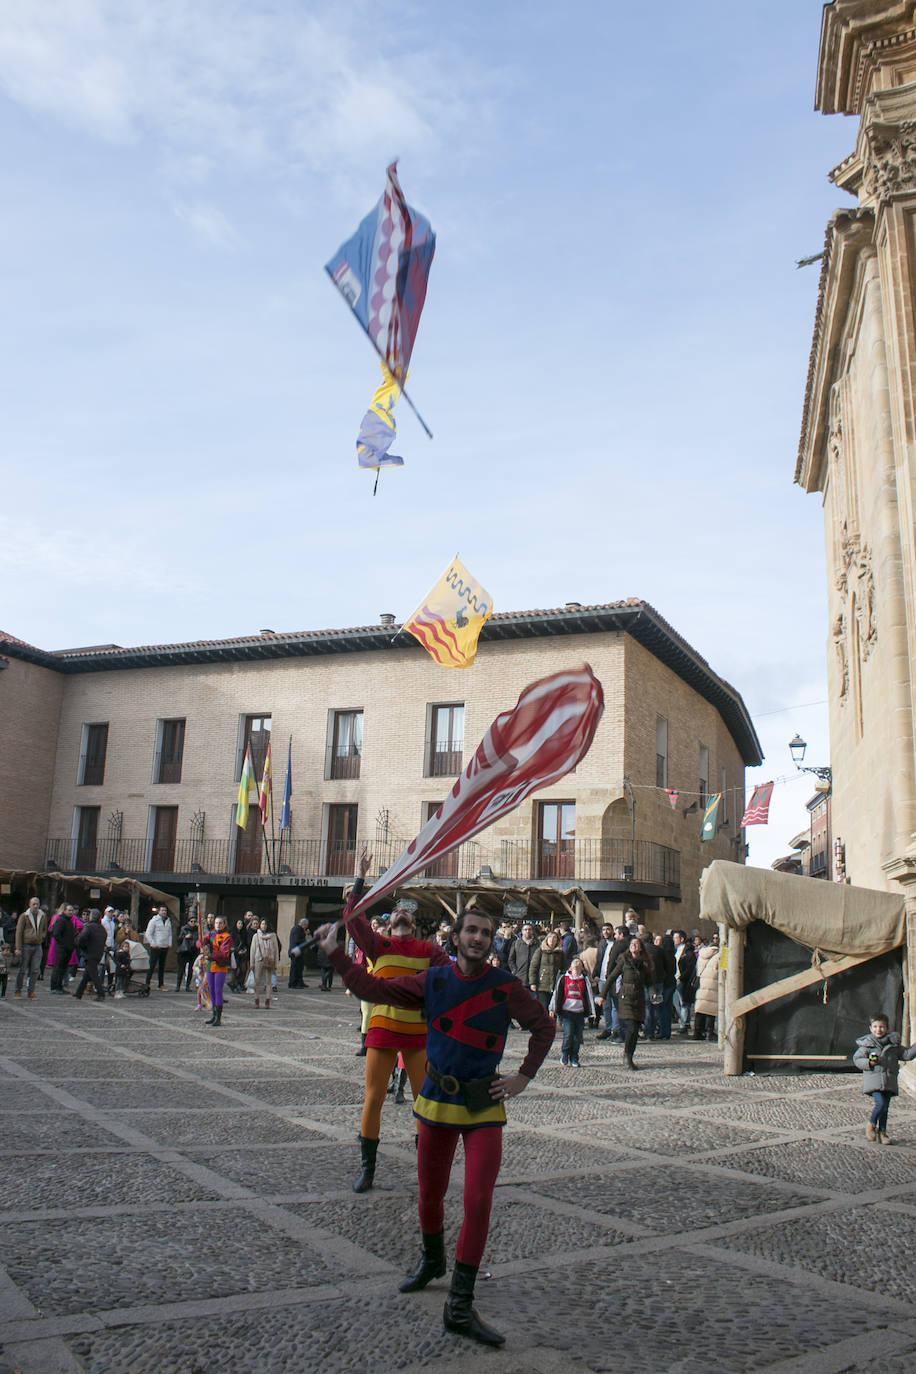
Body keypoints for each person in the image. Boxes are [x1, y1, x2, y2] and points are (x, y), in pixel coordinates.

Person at [319, 898, 554, 1348]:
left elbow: (544, 1027)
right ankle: (431, 1262)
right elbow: (375, 991)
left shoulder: (506, 987)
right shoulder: (434, 979)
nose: (479, 938)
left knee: (479, 1198)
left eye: (486, 933)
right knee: (429, 1194)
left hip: (483, 1104)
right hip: (436, 1102)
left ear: (490, 940)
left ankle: (460, 1305)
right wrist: (335, 953)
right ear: (456, 937)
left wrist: (524, 1076)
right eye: (472, 931)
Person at [342, 853, 452, 1194]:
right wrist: (360, 880)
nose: (401, 914)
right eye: (395, 914)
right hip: (382, 1032)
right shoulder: (378, 945)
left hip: (418, 1036)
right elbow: (351, 918)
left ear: (414, 925)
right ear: (389, 926)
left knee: (424, 1103)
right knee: (374, 1098)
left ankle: (427, 1169)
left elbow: (453, 974)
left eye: (405, 912)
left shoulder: (428, 950)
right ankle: (368, 1169)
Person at [853, 1012, 916, 1144]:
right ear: (871, 1028)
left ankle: (883, 1133)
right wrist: (869, 1063)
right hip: (874, 1081)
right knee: (880, 1104)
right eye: (875, 1027)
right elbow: (857, 1059)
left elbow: (906, 1055)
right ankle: (871, 1124)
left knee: (885, 1108)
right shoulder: (867, 1045)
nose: (878, 1030)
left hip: (889, 1081)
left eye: (881, 1027)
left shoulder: (893, 1046)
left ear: (887, 1028)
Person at [598, 936, 653, 1070]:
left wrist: (653, 994)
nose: (634, 945)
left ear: (640, 947)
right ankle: (627, 1057)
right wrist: (602, 995)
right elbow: (611, 978)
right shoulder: (624, 960)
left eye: (636, 943)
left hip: (639, 998)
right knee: (632, 1028)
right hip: (625, 997)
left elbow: (650, 982)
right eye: (632, 943)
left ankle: (629, 1054)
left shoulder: (645, 963)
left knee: (635, 1031)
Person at [549, 955, 596, 1067]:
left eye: (578, 962)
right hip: (567, 1011)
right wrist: (552, 1008)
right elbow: (557, 994)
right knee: (568, 1034)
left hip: (579, 1012)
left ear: (582, 968)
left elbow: (589, 995)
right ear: (570, 967)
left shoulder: (584, 980)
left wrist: (591, 1012)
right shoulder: (563, 979)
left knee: (577, 1037)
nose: (576, 964)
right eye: (574, 962)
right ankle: (565, 1053)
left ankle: (574, 1056)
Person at [200, 916, 232, 1026]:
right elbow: (200, 942)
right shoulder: (210, 934)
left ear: (224, 924)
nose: (218, 925)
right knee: (211, 990)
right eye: (216, 923)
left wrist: (210, 957)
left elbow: (223, 953)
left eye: (220, 923)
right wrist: (201, 943)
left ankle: (218, 1017)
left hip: (220, 966)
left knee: (218, 991)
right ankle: (213, 1015)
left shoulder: (227, 937)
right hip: (210, 966)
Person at [14, 897, 48, 998]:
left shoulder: (43, 916)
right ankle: (18, 989)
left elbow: (44, 929)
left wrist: (41, 937)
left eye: (37, 904)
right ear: (29, 904)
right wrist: (18, 947)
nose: (35, 906)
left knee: (35, 970)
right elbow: (19, 932)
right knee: (22, 969)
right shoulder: (24, 916)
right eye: (33, 904)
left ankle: (31, 991)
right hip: (26, 945)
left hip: (37, 945)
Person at [73, 910, 107, 1002]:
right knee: (87, 975)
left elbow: (81, 938)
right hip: (98, 953)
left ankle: (101, 993)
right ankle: (79, 993)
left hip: (89, 953)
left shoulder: (89, 927)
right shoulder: (102, 928)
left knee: (94, 975)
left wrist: (82, 947)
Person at [528, 929, 566, 1009]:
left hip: (556, 985)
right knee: (543, 1007)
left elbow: (564, 967)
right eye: (550, 937)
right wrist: (532, 982)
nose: (552, 940)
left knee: (554, 1008)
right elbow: (533, 967)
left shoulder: (560, 953)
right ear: (547, 939)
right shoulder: (540, 951)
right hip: (542, 985)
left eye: (554, 938)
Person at [250, 918, 280, 1008]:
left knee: (268, 981)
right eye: (262, 924)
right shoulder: (256, 936)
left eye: (265, 924)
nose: (264, 926)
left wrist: (276, 963)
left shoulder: (273, 936)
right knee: (257, 980)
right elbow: (253, 949)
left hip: (270, 959)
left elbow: (276, 950)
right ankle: (257, 999)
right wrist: (251, 963)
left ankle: (267, 1000)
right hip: (259, 959)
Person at [48, 905, 77, 994]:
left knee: (63, 969)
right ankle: (54, 987)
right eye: (69, 910)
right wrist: (64, 944)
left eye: (72, 910)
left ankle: (59, 986)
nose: (71, 912)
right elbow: (56, 934)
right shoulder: (61, 920)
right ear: (64, 911)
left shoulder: (69, 921)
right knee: (58, 968)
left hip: (68, 949)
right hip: (61, 948)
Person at [672, 929, 697, 1034]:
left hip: (682, 980)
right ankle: (683, 1021)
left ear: (682, 939)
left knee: (684, 1003)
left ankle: (684, 1024)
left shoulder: (688, 952)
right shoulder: (675, 950)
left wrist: (681, 977)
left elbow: (690, 968)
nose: (674, 940)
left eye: (676, 938)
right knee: (676, 1002)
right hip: (675, 979)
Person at [143, 906, 173, 990]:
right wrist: (153, 943)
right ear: (159, 911)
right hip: (156, 946)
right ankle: (147, 983)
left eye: (165, 910)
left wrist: (169, 943)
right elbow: (148, 933)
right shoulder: (154, 921)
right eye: (162, 910)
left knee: (162, 966)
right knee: (152, 965)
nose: (164, 912)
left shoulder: (168, 921)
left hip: (164, 946)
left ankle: (161, 984)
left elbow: (170, 933)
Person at [175, 914, 198, 991]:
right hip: (184, 951)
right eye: (191, 921)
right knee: (181, 969)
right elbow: (178, 940)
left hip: (193, 951)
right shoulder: (184, 929)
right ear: (188, 922)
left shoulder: (197, 930)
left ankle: (187, 986)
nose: (193, 923)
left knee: (190, 970)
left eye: (195, 921)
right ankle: (178, 986)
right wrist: (185, 937)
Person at [288, 917, 311, 989]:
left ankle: (300, 982)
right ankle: (293, 983)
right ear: (303, 924)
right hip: (295, 951)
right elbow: (297, 940)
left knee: (300, 967)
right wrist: (306, 939)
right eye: (306, 926)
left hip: (299, 952)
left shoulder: (300, 930)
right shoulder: (296, 929)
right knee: (295, 968)